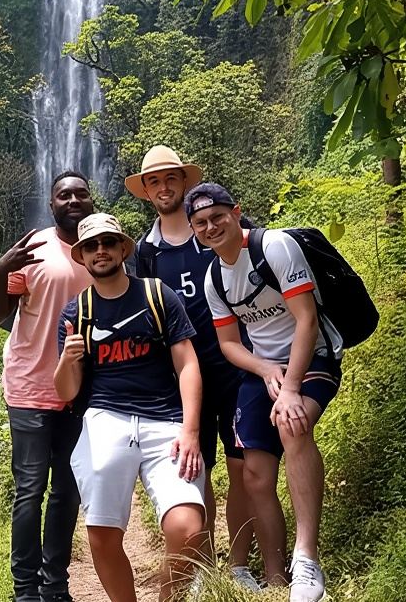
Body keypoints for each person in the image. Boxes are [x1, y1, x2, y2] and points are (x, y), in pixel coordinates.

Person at [186, 182, 342, 602]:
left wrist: (290, 385)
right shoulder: (214, 276)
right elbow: (230, 344)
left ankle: (307, 560)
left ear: (236, 211)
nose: (211, 226)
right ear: (194, 231)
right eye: (201, 223)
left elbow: (306, 319)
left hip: (313, 360)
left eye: (218, 216)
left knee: (293, 426)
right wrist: (267, 369)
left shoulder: (275, 247)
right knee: (255, 474)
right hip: (264, 370)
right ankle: (275, 576)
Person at [126, 146, 261, 592]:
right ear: (146, 192)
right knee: (193, 471)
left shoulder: (215, 231)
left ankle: (239, 564)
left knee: (243, 466)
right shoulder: (145, 253)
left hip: (237, 367)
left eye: (171, 179)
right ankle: (202, 568)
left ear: (184, 182)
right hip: (182, 379)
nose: (163, 188)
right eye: (154, 181)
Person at [53, 212, 205, 602]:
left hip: (166, 420)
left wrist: (190, 430)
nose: (100, 251)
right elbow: (66, 391)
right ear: (82, 257)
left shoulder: (157, 295)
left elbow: (187, 363)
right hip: (105, 418)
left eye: (107, 243)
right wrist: (68, 360)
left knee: (188, 527)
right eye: (91, 246)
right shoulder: (75, 315)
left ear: (123, 248)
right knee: (102, 533)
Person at [0, 171, 95, 602]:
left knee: (67, 489)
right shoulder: (33, 250)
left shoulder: (102, 248)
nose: (72, 200)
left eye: (80, 193)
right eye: (64, 195)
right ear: (52, 205)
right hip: (30, 384)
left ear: (91, 200)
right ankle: (24, 590)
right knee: (30, 488)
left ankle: (56, 585)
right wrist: (0, 270)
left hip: (80, 390)